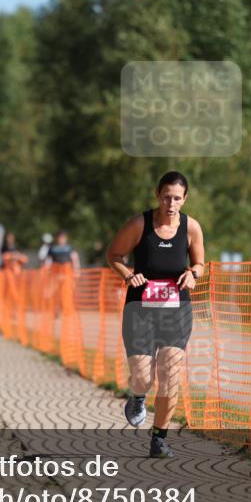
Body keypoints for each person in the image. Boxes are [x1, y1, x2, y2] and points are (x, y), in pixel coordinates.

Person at [106, 171, 205, 458]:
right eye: (166, 197)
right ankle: (138, 396)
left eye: (176, 198)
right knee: (142, 375)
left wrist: (193, 274)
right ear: (157, 195)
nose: (170, 204)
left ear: (184, 199)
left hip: (177, 310)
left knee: (170, 373)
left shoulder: (191, 228)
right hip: (140, 311)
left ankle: (159, 438)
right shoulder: (140, 224)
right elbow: (113, 255)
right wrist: (128, 275)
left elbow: (199, 262)